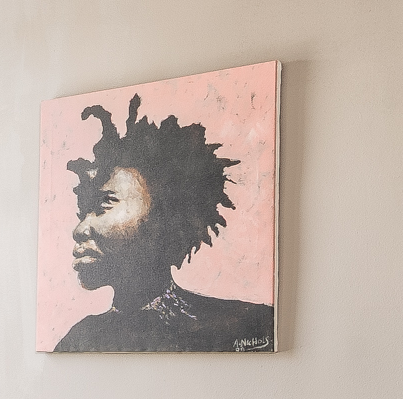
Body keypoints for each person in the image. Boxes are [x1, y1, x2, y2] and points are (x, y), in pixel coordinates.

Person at [55, 94, 274, 353]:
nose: (79, 230)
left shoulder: (249, 325)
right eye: (82, 213)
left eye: (104, 204)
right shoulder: (79, 340)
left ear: (166, 216)